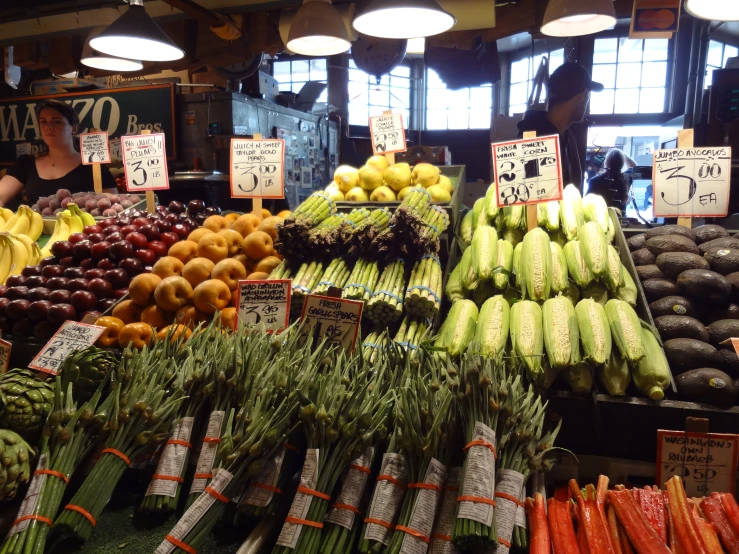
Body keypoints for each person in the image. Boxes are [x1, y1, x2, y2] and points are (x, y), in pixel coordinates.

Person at [0, 101, 116, 209]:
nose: (49, 127)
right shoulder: (26, 164)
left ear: (74, 128)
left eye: (57, 121)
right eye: (43, 122)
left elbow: (112, 204)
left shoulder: (93, 166)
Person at [517, 62, 603, 190]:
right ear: (583, 95)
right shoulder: (532, 138)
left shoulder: (568, 136)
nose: (587, 105)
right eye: (588, 96)